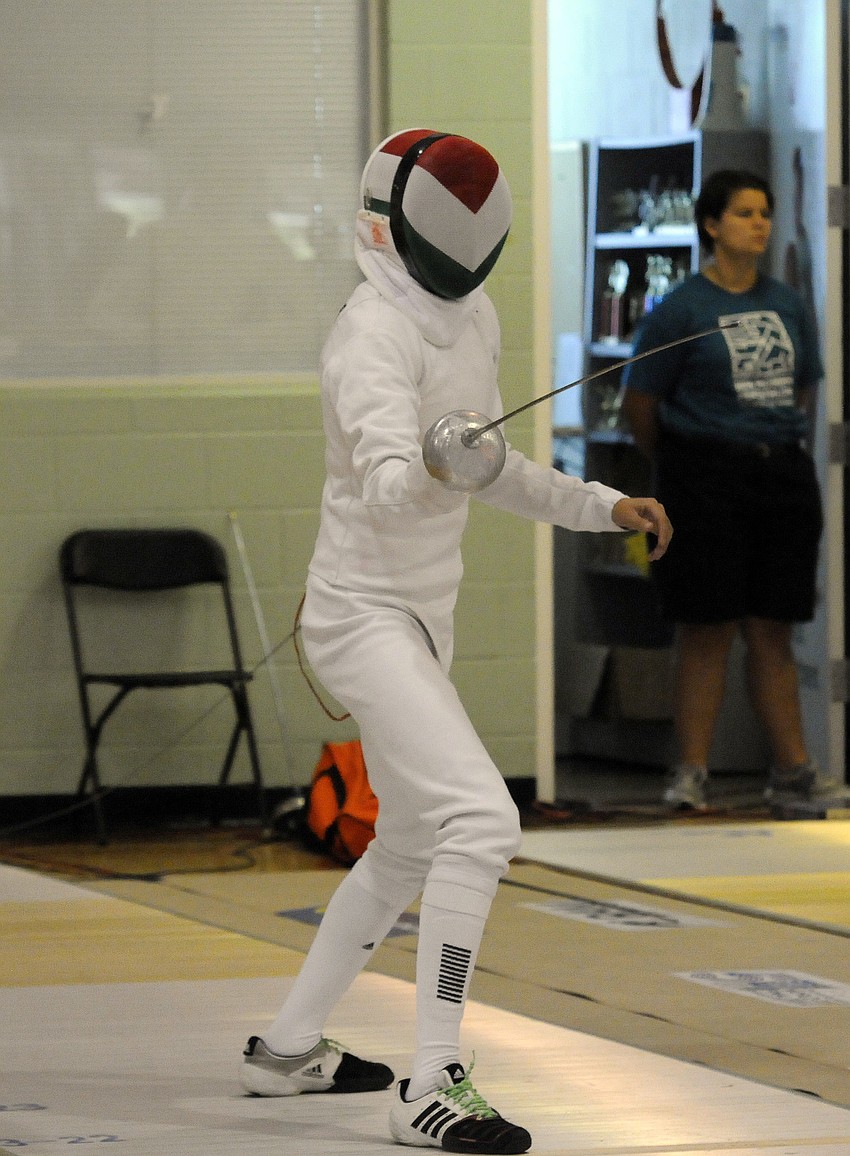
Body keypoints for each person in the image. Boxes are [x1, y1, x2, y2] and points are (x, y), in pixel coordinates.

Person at [240, 128, 672, 1153]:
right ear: (393, 229)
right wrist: (441, 461)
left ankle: (287, 1048)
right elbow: (392, 480)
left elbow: (495, 465)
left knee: (409, 841)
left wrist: (601, 502)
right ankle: (428, 1079)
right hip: (359, 616)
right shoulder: (368, 338)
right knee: (481, 819)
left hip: (420, 618)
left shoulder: (465, 315)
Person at [622, 168, 840, 813]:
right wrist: (693, 459)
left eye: (765, 214)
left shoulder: (787, 303)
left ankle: (793, 772)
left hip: (780, 475)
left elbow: (805, 387)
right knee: (707, 628)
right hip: (703, 478)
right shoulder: (683, 310)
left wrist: (764, 440)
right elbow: (640, 405)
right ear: (713, 225)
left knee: (773, 627)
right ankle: (689, 773)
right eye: (745, 213)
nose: (760, 225)